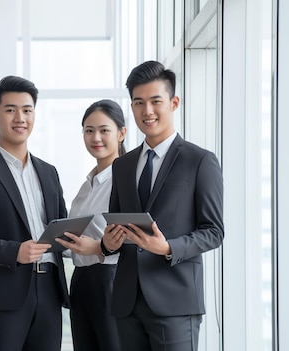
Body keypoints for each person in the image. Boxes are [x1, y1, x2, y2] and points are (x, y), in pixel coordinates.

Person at [101, 60, 224, 351]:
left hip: (176, 303)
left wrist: (168, 248)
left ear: (174, 102)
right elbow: (116, 223)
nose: (148, 111)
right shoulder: (122, 165)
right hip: (127, 302)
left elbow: (214, 231)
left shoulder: (199, 160)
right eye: (139, 102)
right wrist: (108, 243)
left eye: (156, 101)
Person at [0, 75, 70, 351]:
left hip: (49, 291)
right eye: (10, 110)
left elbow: (63, 225)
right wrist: (14, 251)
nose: (20, 118)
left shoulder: (48, 172)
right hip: (5, 293)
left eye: (27, 110)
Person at [55, 99, 126, 351]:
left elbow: (136, 237)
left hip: (111, 279)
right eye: (89, 130)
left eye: (104, 130)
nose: (96, 137)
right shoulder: (87, 185)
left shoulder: (126, 181)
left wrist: (97, 247)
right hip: (82, 280)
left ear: (121, 133)